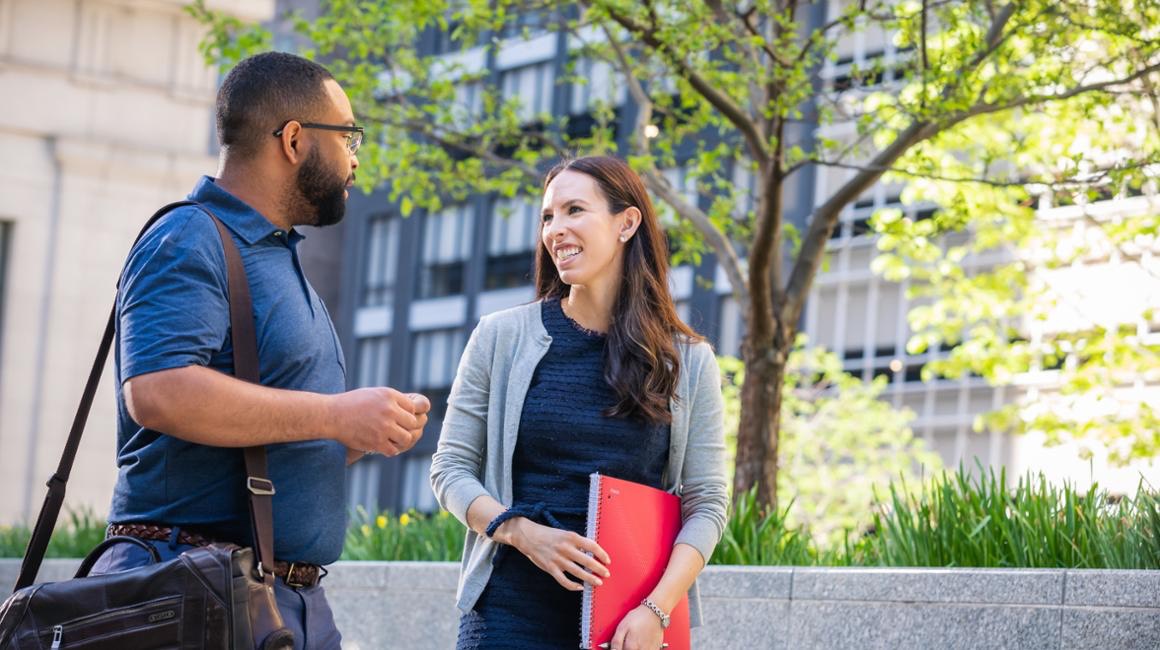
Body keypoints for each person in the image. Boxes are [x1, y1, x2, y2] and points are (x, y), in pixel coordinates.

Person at [90, 52, 431, 648]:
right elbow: (159, 392)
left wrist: (354, 435)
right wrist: (334, 414)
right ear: (295, 140)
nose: (355, 157)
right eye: (348, 136)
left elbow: (266, 431)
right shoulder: (189, 238)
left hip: (277, 600)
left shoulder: (276, 255)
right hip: (193, 594)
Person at [431, 155, 729, 650]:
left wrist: (656, 610)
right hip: (508, 610)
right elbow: (450, 469)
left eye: (574, 211)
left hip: (626, 619)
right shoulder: (500, 337)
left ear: (626, 223)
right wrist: (522, 533)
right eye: (548, 217)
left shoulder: (689, 361)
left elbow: (707, 502)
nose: (556, 230)